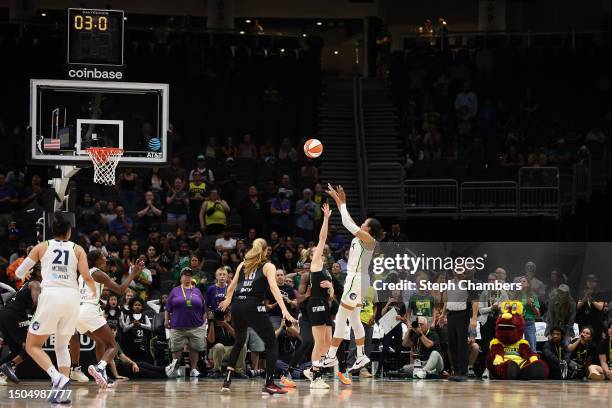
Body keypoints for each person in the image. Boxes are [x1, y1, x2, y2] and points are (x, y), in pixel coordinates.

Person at [14, 211, 97, 404]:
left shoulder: (42, 246)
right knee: (62, 346)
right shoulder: (78, 249)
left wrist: (25, 274)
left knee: (32, 345)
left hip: (51, 296)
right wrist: (93, 293)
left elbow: (19, 273)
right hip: (72, 298)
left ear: (52, 231)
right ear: (69, 232)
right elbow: (86, 276)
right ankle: (62, 394)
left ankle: (56, 376)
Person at [314, 184, 382, 374]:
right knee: (354, 320)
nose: (361, 224)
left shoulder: (369, 240)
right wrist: (339, 200)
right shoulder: (363, 237)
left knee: (342, 318)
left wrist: (342, 204)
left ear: (369, 229)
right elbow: (350, 221)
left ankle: (331, 356)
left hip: (356, 280)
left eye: (364, 223)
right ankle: (360, 356)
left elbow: (347, 223)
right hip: (358, 281)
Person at [218, 238, 297, 395]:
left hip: (238, 306)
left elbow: (231, 285)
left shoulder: (243, 265)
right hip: (253, 305)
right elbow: (274, 288)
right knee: (272, 343)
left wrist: (227, 301)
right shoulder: (268, 266)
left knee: (239, 342)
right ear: (265, 250)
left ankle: (226, 381)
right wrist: (284, 310)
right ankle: (269, 383)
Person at [69, 250, 145, 389]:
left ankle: (102, 377)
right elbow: (121, 290)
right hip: (90, 310)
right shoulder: (98, 273)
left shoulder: (83, 274)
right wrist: (133, 273)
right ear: (97, 260)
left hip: (77, 312)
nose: (106, 258)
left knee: (100, 342)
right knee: (113, 346)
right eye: (103, 257)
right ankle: (100, 367)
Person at [299, 203, 335, 389]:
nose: (320, 251)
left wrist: (330, 287)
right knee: (319, 342)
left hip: (324, 303)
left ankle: (315, 371)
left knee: (328, 342)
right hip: (315, 304)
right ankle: (314, 375)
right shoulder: (315, 265)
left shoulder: (326, 271)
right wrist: (327, 219)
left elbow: (331, 294)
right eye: (317, 251)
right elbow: (322, 239)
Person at [164, 268, 207, 378]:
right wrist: (166, 320)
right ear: (181, 277)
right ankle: (176, 369)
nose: (187, 277)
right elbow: (167, 308)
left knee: (195, 348)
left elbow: (204, 309)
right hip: (178, 325)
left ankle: (193, 369)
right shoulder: (175, 291)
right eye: (185, 275)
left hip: (196, 326)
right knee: (176, 348)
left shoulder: (197, 291)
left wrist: (204, 323)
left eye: (189, 275)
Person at [441, 269, 479, 382]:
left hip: (462, 315)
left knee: (462, 343)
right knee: (452, 343)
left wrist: (474, 318)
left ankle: (463, 372)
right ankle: (456, 370)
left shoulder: (468, 283)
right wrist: (443, 315)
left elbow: (475, 301)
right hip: (451, 315)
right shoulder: (449, 283)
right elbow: (447, 300)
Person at [0, 280, 41, 384]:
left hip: (5, 315)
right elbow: (36, 298)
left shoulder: (23, 288)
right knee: (32, 347)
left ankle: (1, 373)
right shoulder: (36, 283)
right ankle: (8, 366)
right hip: (16, 316)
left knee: (16, 350)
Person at [376, 289, 407, 377]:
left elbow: (405, 318)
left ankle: (398, 370)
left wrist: (400, 317)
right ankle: (378, 370)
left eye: (397, 291)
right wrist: (388, 303)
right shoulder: (387, 301)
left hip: (397, 327)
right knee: (385, 348)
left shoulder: (402, 304)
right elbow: (382, 313)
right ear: (392, 292)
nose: (396, 292)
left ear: (400, 292)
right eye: (394, 291)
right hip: (388, 326)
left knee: (398, 349)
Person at [207, 309, 247, 377]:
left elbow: (238, 338)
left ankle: (238, 371)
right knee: (219, 346)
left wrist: (226, 325)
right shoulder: (213, 325)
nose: (221, 319)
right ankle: (217, 370)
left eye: (224, 316)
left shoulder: (231, 324)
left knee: (242, 345)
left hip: (229, 351)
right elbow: (211, 341)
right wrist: (211, 323)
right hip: (215, 351)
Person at [516, 275, 541, 351]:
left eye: (524, 281)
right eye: (520, 281)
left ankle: (533, 362)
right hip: (517, 323)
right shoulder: (515, 295)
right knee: (516, 347)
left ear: (528, 284)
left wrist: (532, 305)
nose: (521, 283)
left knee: (531, 347)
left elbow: (538, 314)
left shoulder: (533, 296)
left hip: (529, 322)